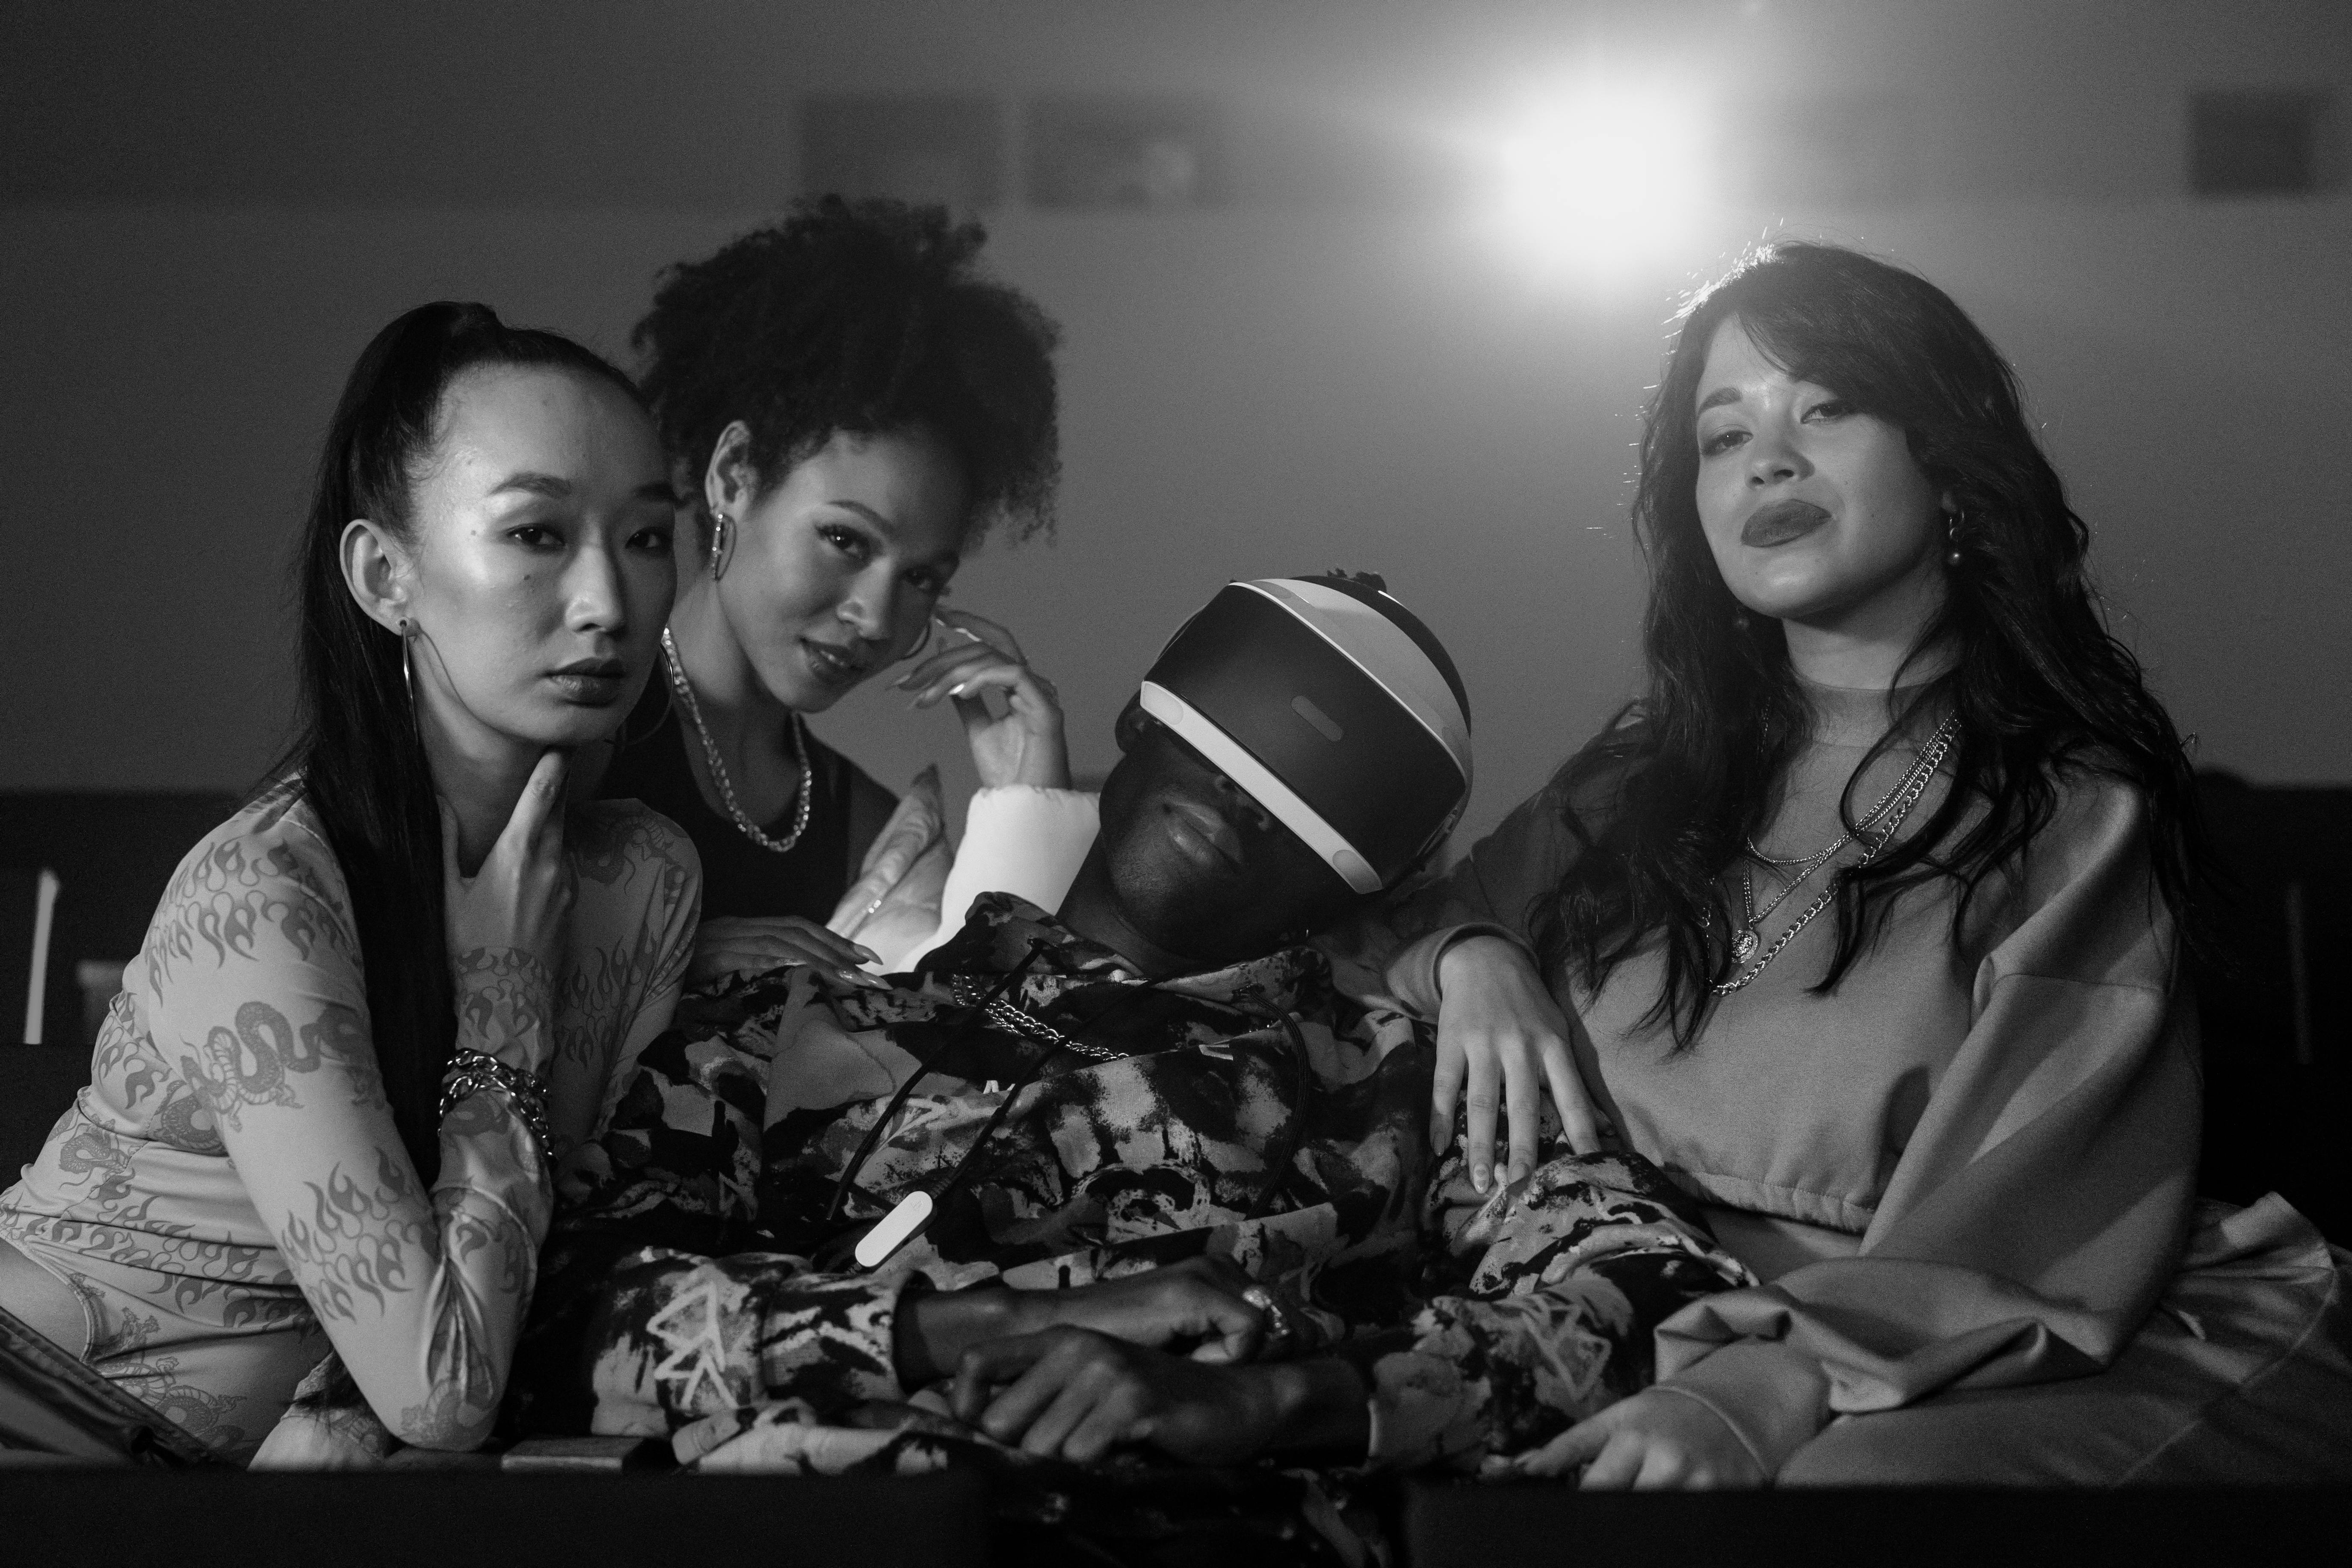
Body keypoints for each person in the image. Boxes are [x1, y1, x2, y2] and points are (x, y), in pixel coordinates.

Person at [1334, 242, 2352, 1488]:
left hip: (1980, 1331)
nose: (1768, 457)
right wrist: (1472, 955)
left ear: (1947, 467)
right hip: (1615, 1315)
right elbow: (1385, 937)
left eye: (1825, 407)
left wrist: (1776, 1373)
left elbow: (2030, 1204)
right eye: (1722, 436)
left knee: (1821, 1503)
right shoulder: (1633, 780)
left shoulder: (2067, 805)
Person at [511, 576, 1751, 1556]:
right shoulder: (789, 1015)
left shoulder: (1402, 1084)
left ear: (1370, 869)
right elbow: (570, 1314)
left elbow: (1642, 1298)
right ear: (1140, 721)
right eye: (1220, 745)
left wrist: (1276, 1399)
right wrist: (972, 1326)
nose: (1246, 799)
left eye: (1302, 798)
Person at [0, 303, 702, 1463]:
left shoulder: (639, 878)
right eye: (535, 534)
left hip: (273, 1500)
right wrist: (502, 992)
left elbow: (560, 1275)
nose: (606, 602)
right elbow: (443, 1391)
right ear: (386, 577)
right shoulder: (262, 897)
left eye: (643, 538)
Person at [605, 195, 1075, 985]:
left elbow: (996, 1056)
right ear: (734, 476)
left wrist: (1030, 797)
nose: (876, 616)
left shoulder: (871, 829)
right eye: (846, 540)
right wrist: (676, 959)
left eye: (923, 578)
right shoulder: (590, 725)